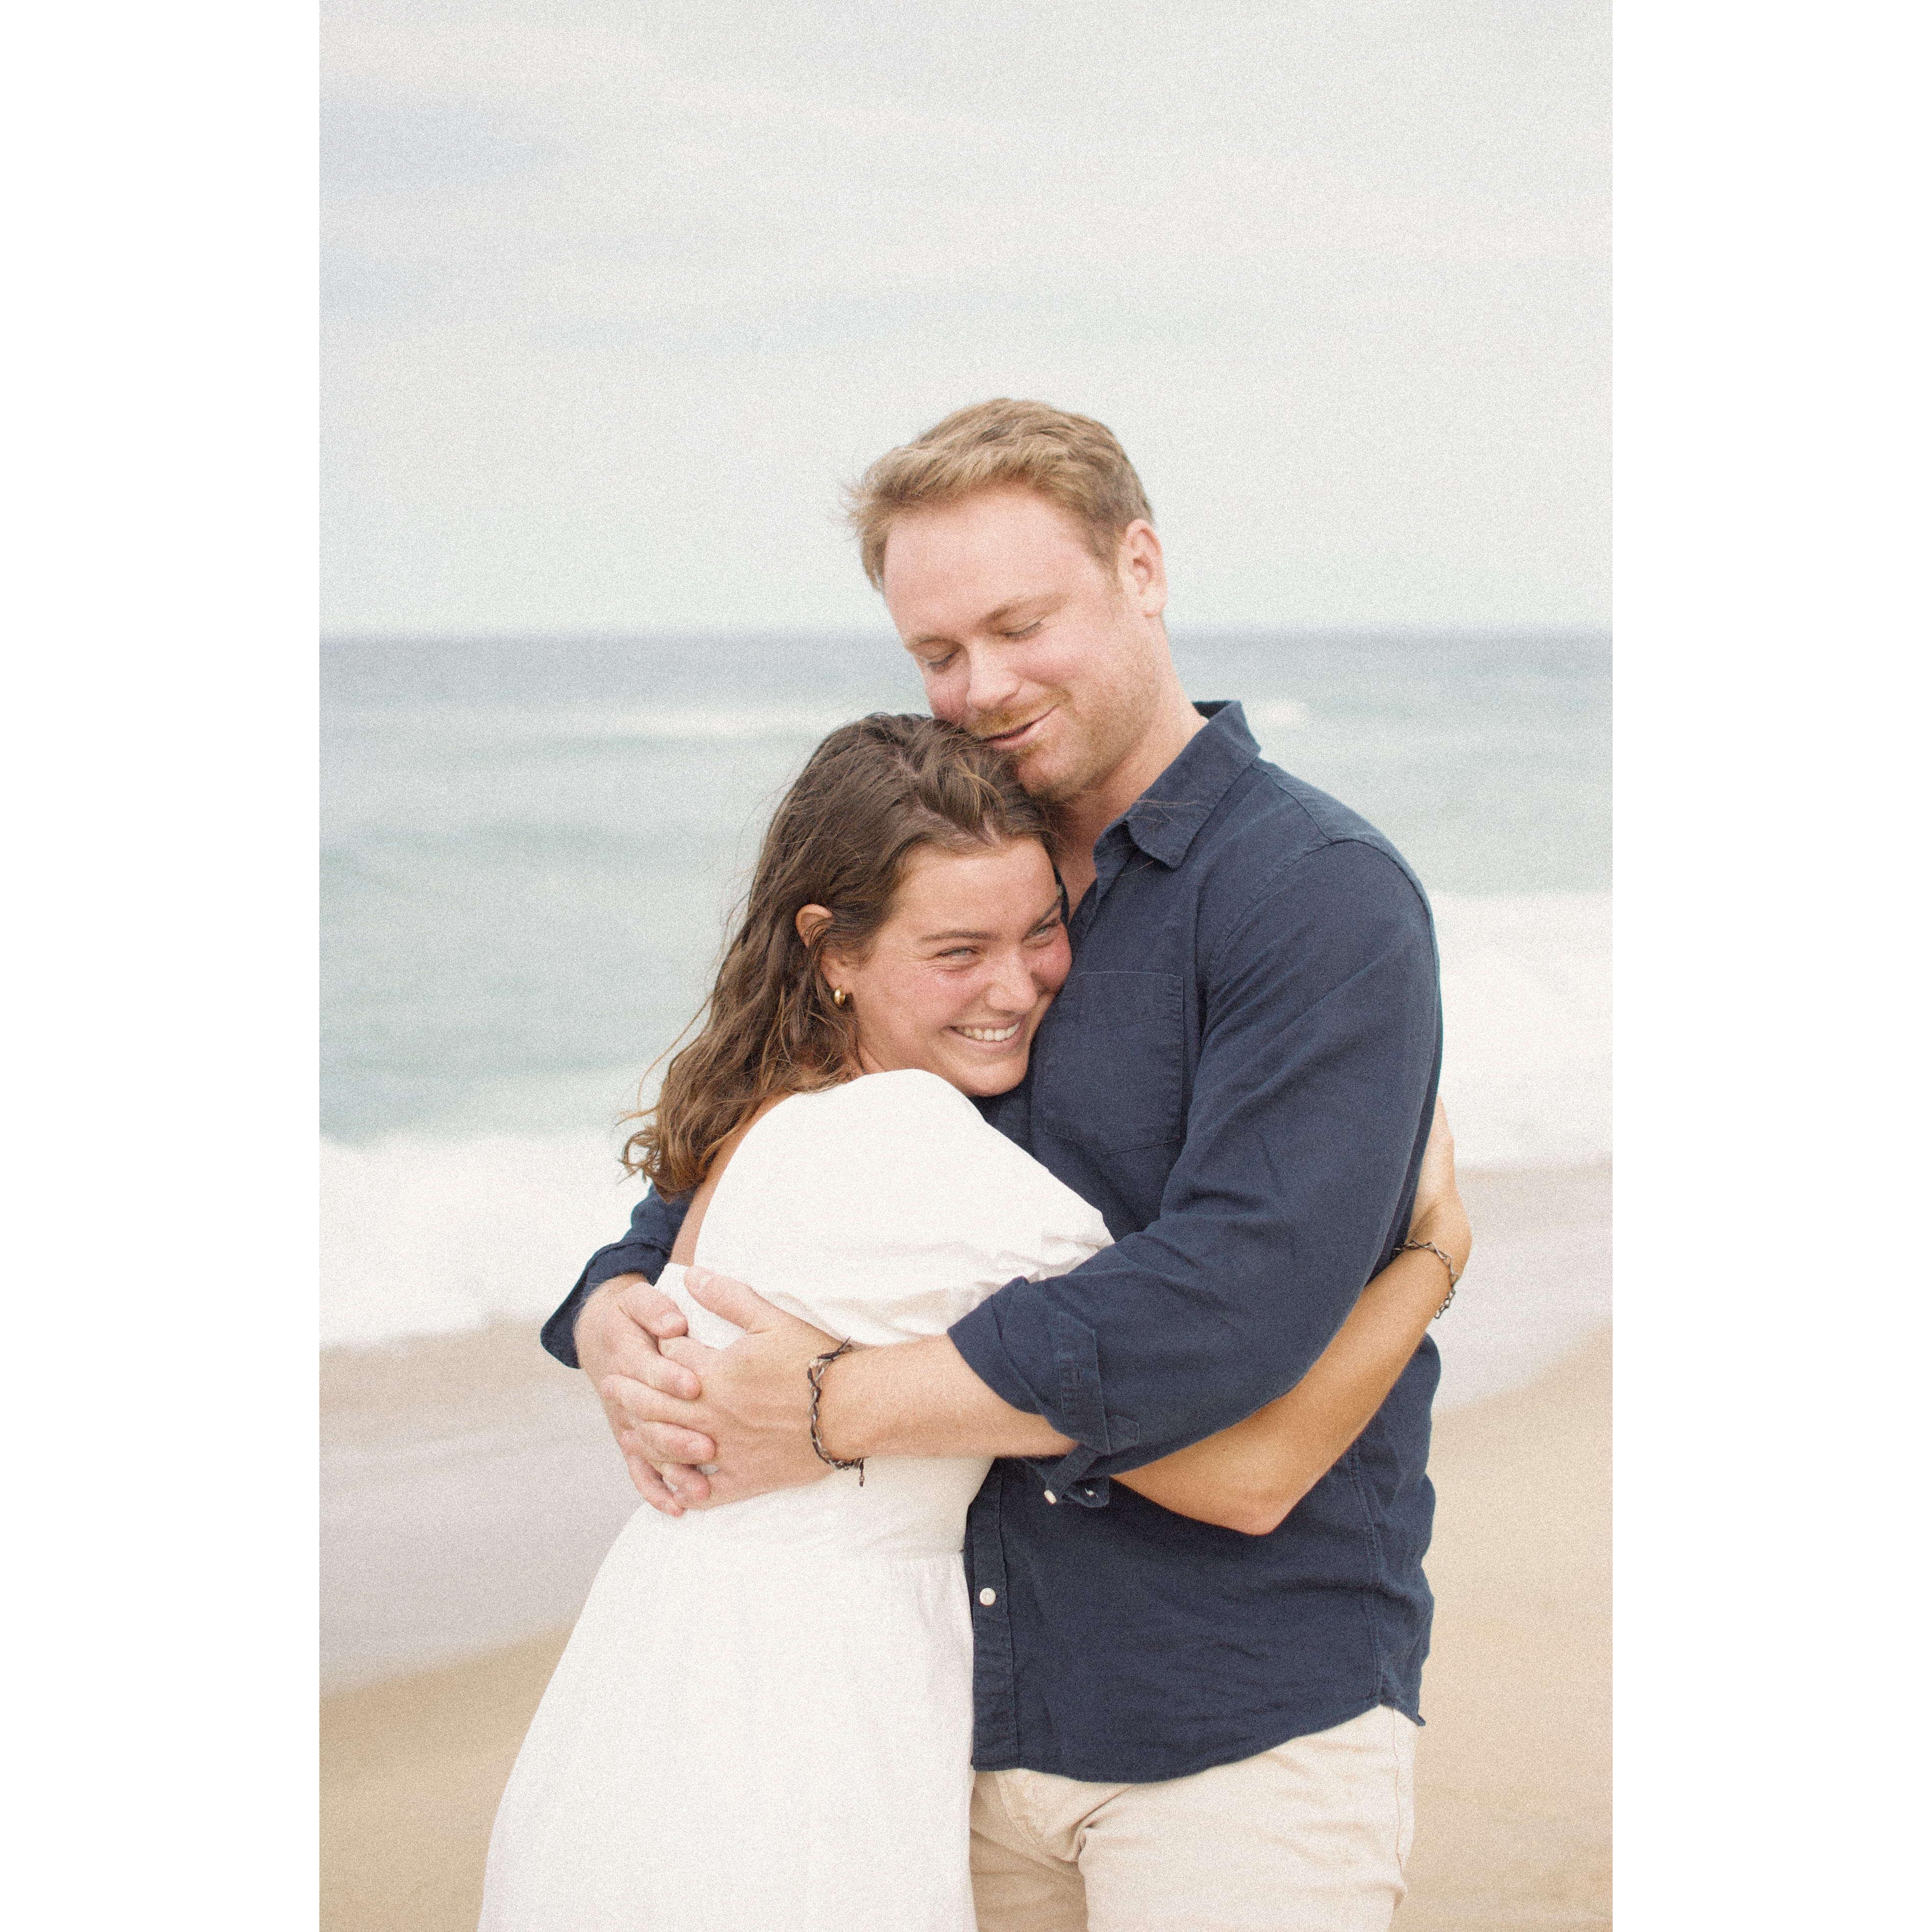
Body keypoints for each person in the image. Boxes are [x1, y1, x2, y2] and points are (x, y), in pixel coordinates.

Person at [544, 402, 1459, 1931]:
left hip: (1232, 1712)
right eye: (938, 652)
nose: (981, 687)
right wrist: (610, 1307)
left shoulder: (1313, 899)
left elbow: (1221, 1314)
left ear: (1142, 569)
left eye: (1021, 627)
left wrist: (828, 1405)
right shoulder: (946, 856)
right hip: (935, 1726)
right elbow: (758, 1137)